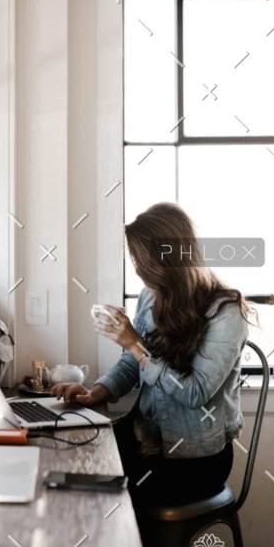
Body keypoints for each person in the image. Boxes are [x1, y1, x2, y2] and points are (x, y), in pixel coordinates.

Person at [51, 203, 255, 508]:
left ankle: (127, 539)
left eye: (140, 260)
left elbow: (195, 393)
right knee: (68, 462)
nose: (137, 269)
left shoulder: (226, 312)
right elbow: (132, 363)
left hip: (194, 460)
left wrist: (136, 343)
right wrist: (94, 393)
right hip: (145, 440)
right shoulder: (151, 296)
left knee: (99, 492)